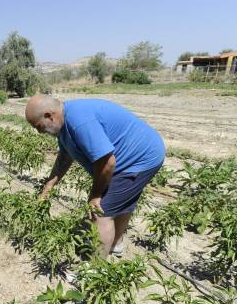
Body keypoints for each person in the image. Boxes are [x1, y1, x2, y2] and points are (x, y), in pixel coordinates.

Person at [25, 95, 165, 258]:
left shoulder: (79, 122)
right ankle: (114, 244)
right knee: (120, 202)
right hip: (139, 154)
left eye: (39, 126)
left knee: (100, 212)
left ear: (50, 116)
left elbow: (107, 163)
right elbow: (65, 156)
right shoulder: (63, 125)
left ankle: (95, 270)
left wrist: (96, 195)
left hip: (139, 158)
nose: (39, 132)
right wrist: (49, 185)